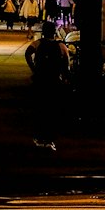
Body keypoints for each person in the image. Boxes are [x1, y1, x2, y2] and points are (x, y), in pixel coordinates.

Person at [24, 21, 69, 151]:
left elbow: (27, 54)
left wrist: (34, 68)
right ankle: (50, 138)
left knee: (40, 109)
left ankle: (39, 137)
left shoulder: (38, 44)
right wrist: (65, 76)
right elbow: (66, 63)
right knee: (52, 110)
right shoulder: (60, 46)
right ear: (53, 32)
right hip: (54, 81)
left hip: (40, 80)